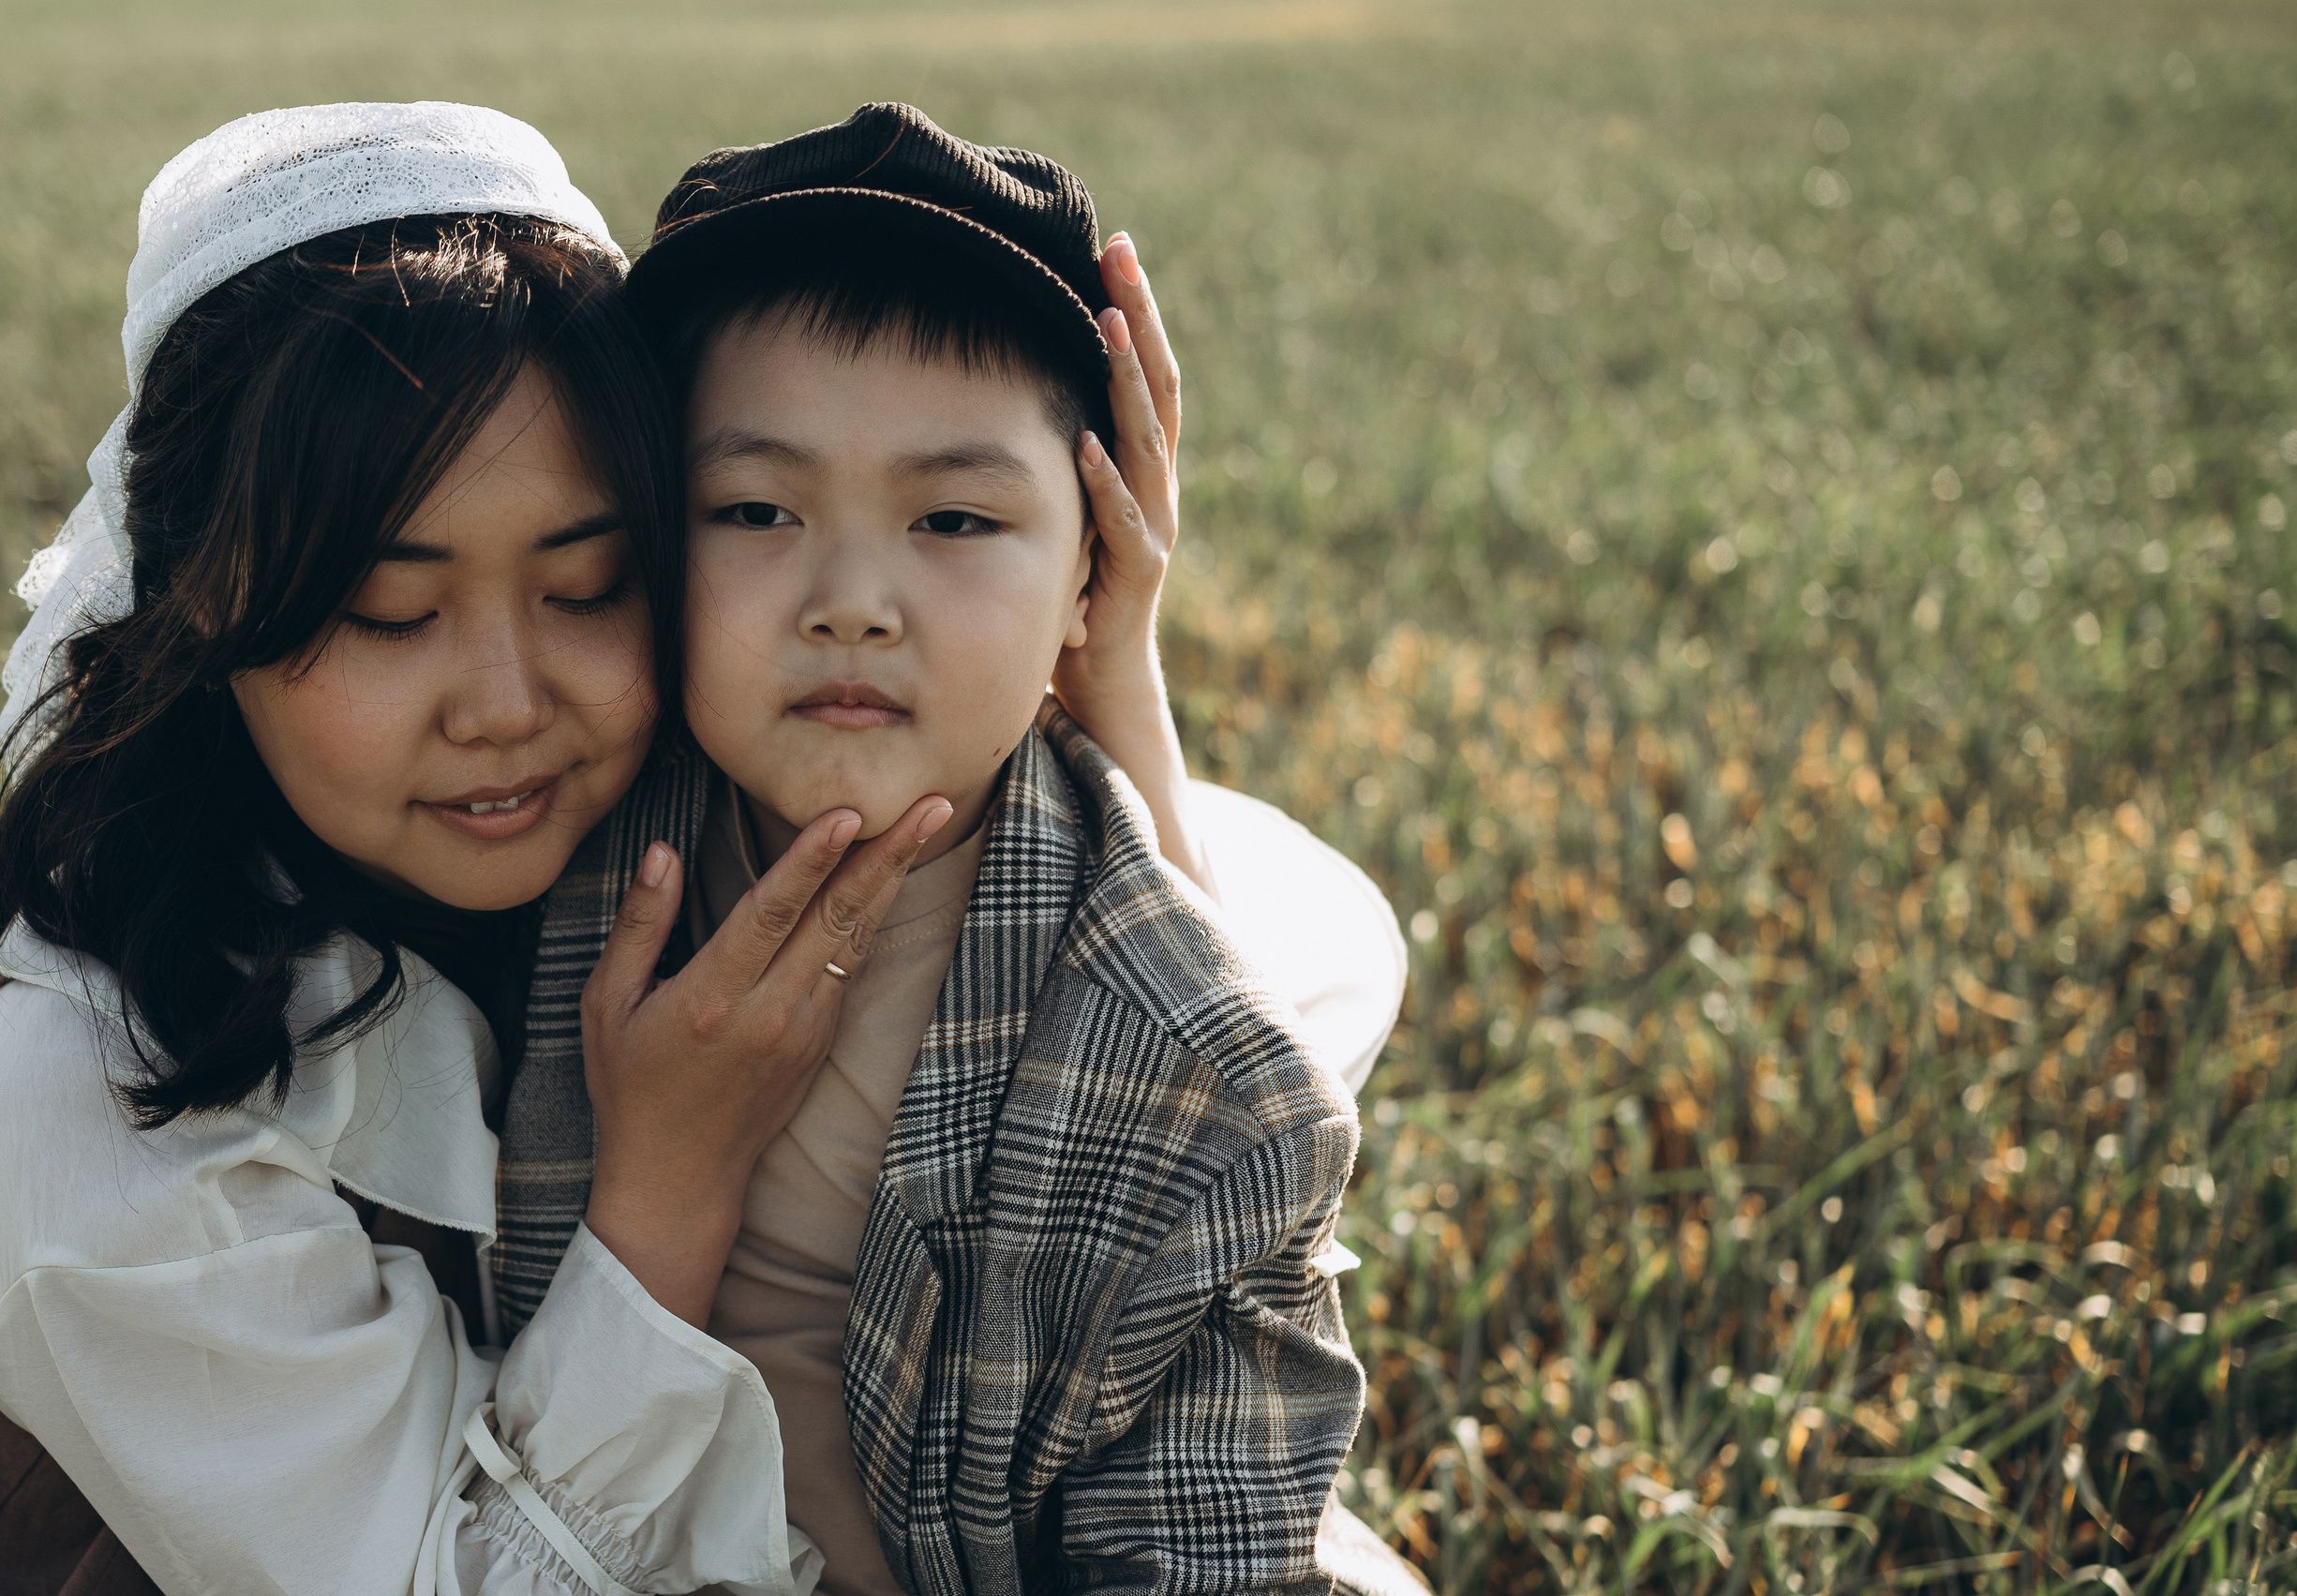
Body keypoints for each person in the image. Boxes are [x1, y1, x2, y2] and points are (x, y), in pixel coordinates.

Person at [0, 101, 1341, 1595]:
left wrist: (1105, 653)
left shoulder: (665, 774)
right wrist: (667, 1187)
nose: (509, 712)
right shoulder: (87, 1113)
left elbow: (1185, 1078)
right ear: (190, 605)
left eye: (589, 585)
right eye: (387, 615)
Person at [494, 104, 1423, 1596]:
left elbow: (1206, 1535)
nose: (852, 598)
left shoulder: (1196, 1072)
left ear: (1095, 567)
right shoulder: (541, 838)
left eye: (955, 517)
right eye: (752, 508)